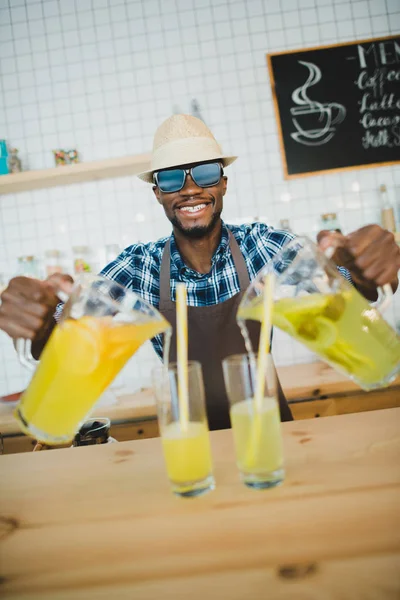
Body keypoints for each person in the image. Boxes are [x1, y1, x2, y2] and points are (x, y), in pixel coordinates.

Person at [0, 115, 399, 429]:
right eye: (172, 177)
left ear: (223, 182)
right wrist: (42, 320)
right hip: (185, 436)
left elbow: (341, 289)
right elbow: (68, 337)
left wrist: (361, 270)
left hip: (268, 428)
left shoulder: (264, 247)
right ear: (157, 192)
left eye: (205, 172)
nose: (190, 188)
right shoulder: (138, 266)